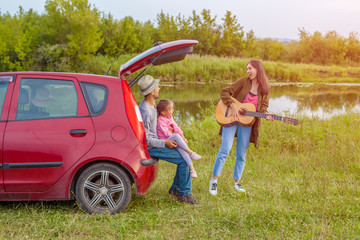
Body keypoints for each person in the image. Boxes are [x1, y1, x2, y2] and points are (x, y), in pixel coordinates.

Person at [209, 59, 274, 196]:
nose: (248, 71)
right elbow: (225, 92)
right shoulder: (243, 81)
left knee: (241, 154)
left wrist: (267, 115)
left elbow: (263, 109)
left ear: (258, 69)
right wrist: (232, 106)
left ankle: (237, 183)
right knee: (225, 148)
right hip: (231, 118)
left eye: (250, 68)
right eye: (247, 69)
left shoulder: (265, 89)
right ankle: (214, 181)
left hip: (247, 122)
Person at [138, 75, 199, 204]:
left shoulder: (152, 105)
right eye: (156, 87)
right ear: (151, 91)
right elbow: (145, 138)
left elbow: (162, 123)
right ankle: (183, 193)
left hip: (159, 141)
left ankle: (176, 189)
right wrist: (165, 142)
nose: (159, 88)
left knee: (183, 156)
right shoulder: (146, 111)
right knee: (183, 160)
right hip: (152, 146)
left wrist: (170, 133)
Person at [156, 99, 201, 178]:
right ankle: (191, 153)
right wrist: (177, 138)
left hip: (171, 137)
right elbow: (166, 133)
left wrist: (182, 137)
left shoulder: (169, 117)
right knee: (176, 137)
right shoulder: (160, 120)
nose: (172, 110)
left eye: (172, 108)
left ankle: (192, 170)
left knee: (182, 150)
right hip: (164, 140)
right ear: (163, 112)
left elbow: (175, 127)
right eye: (170, 109)